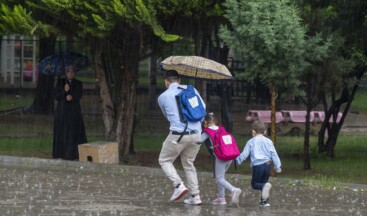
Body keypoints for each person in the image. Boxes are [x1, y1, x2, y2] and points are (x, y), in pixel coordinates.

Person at [157, 70, 205, 205]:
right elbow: (203, 109)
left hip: (178, 135)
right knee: (189, 164)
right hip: (196, 134)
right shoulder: (192, 90)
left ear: (166, 82)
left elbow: (167, 116)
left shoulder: (163, 96)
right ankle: (195, 196)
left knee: (164, 160)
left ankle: (178, 185)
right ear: (179, 80)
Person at [198, 113, 242, 205]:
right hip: (229, 156)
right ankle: (221, 198)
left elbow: (199, 141)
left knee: (219, 178)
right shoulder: (221, 129)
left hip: (220, 157)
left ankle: (233, 190)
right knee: (222, 177)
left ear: (205, 122)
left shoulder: (207, 131)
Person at [236, 120, 281, 207]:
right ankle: (264, 202)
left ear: (253, 132)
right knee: (264, 184)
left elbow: (245, 154)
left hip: (258, 166)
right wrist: (278, 166)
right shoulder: (269, 141)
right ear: (264, 132)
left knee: (255, 184)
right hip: (267, 165)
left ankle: (264, 192)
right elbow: (274, 154)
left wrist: (238, 161)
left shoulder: (251, 141)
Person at [53, 65, 87, 160]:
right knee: (63, 132)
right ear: (66, 73)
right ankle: (61, 153)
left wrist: (72, 97)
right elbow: (56, 96)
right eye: (69, 71)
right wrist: (64, 91)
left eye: (72, 72)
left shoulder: (78, 83)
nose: (71, 73)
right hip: (62, 111)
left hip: (74, 111)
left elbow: (79, 95)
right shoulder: (61, 82)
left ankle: (73, 154)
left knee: (73, 132)